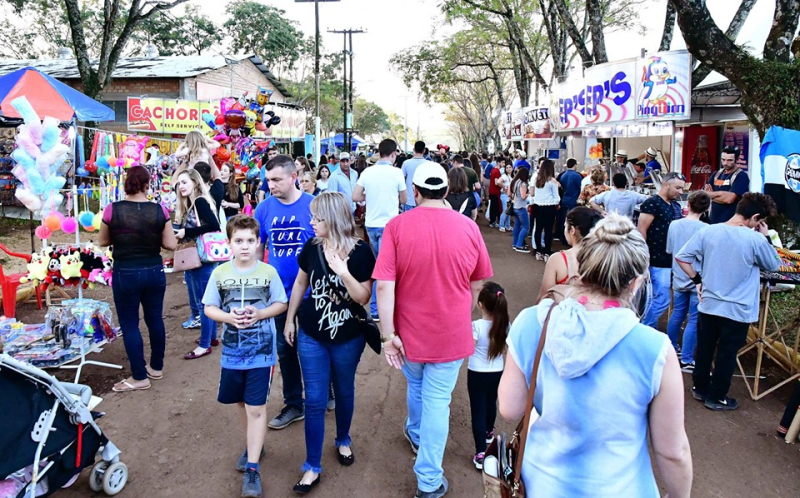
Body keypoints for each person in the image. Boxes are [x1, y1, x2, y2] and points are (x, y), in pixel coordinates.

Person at [498, 213, 692, 497]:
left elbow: (509, 408)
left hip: (541, 484)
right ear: (636, 283)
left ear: (581, 269)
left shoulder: (532, 323)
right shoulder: (655, 349)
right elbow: (673, 452)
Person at [374, 161, 492, 498]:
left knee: (417, 383)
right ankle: (428, 479)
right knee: (437, 400)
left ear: (415, 190)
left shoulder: (397, 226)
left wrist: (387, 335)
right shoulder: (468, 227)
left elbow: (384, 286)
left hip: (408, 333)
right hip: (450, 334)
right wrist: (459, 310)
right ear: (446, 190)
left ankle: (416, 433)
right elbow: (478, 280)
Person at [283, 192, 376, 494]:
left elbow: (363, 298)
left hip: (348, 336)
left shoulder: (361, 251)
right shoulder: (312, 247)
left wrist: (343, 271)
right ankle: (311, 466)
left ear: (332, 220)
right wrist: (289, 319)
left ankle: (343, 439)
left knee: (345, 390)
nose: (311, 222)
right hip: (311, 333)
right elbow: (300, 282)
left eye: (316, 218)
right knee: (315, 399)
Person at [202, 215, 288, 498]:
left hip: (262, 353)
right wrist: (228, 317)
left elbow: (281, 302)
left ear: (258, 243)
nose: (245, 246)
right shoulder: (219, 274)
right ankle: (256, 444)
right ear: (229, 243)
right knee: (241, 403)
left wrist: (261, 313)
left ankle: (253, 468)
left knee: (256, 407)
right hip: (232, 353)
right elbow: (209, 308)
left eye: (251, 241)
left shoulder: (268, 273)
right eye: (239, 241)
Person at [676, 193, 781, 411]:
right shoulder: (755, 239)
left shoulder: (709, 230)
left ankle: (700, 387)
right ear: (755, 217)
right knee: (726, 353)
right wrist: (766, 236)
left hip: (709, 302)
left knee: (704, 348)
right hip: (737, 307)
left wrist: (697, 280)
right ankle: (717, 396)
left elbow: (682, 257)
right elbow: (774, 264)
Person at [98, 166, 177, 392]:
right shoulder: (159, 210)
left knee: (130, 324)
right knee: (155, 319)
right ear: (147, 184)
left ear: (127, 183)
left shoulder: (113, 209)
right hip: (154, 270)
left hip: (126, 272)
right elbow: (171, 245)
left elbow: (102, 241)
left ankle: (139, 376)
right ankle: (156, 367)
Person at [254, 154, 315, 430]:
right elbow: (257, 247)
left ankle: (324, 391)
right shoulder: (264, 209)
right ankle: (294, 403)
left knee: (315, 347)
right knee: (285, 349)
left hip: (313, 293)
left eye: (276, 179)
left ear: (294, 177)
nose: (271, 185)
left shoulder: (313, 206)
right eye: (268, 180)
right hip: (278, 294)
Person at [352, 138, 407, 320]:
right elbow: (405, 199)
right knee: (386, 269)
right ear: (393, 154)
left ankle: (378, 308)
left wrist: (371, 195)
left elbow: (355, 196)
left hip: (370, 225)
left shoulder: (368, 172)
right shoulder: (397, 173)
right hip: (389, 226)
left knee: (379, 266)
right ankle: (378, 309)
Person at [174, 168, 221, 360]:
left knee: (204, 303)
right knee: (205, 300)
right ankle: (212, 337)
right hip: (198, 259)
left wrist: (187, 232)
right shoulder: (193, 203)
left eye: (185, 182)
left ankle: (204, 345)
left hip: (202, 258)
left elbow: (214, 225)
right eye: (179, 183)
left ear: (195, 182)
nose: (181, 186)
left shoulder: (200, 201)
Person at [666, 191, 710, 373]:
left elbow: (670, 250)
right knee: (693, 319)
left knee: (677, 313)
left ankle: (670, 349)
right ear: (707, 208)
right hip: (698, 278)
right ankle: (686, 358)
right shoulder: (706, 229)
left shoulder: (674, 225)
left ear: (688, 204)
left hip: (678, 276)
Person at [467, 282, 510, 470]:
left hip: (476, 372)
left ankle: (480, 452)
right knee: (491, 402)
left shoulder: (476, 326)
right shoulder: (506, 325)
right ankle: (489, 431)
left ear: (480, 304)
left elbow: (470, 348)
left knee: (478, 409)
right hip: (497, 372)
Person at [638, 172, 686, 329]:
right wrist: (644, 257)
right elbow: (641, 231)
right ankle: (645, 328)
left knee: (656, 298)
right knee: (662, 298)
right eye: (678, 188)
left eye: (682, 188)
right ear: (666, 185)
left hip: (670, 260)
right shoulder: (652, 203)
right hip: (656, 260)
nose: (681, 192)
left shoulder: (674, 206)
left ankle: (646, 329)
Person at [535, 207, 602, 302]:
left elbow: (544, 297)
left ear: (572, 230)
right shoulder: (605, 257)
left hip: (563, 314)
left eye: (565, 226)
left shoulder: (558, 260)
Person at [703, 146, 749, 224]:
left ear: (737, 160)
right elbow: (703, 195)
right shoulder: (716, 174)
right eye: (723, 160)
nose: (725, 163)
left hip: (731, 222)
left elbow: (729, 199)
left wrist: (710, 195)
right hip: (713, 221)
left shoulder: (741, 176)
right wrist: (721, 195)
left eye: (729, 160)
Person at [532, 159, 561, 261]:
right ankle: (547, 252)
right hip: (549, 207)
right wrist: (557, 204)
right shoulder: (552, 181)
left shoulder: (537, 179)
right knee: (548, 230)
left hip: (537, 206)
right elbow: (557, 198)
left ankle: (538, 251)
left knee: (538, 229)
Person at [556, 158, 583, 244]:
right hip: (573, 201)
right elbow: (581, 188)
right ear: (575, 165)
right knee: (572, 221)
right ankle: (569, 239)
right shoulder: (577, 176)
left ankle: (562, 237)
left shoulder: (563, 175)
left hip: (564, 199)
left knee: (562, 219)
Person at [401, 141, 429, 212]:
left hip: (409, 199)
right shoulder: (428, 164)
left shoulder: (406, 163)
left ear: (414, 149)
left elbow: (402, 179)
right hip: (423, 200)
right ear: (424, 150)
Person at [510, 168, 531, 253]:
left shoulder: (516, 182)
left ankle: (515, 244)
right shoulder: (523, 183)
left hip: (515, 206)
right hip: (521, 207)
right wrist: (529, 193)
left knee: (517, 226)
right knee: (526, 226)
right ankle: (519, 245)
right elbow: (523, 196)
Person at [497, 160, 513, 232]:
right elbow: (498, 182)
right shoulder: (504, 176)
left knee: (508, 211)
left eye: (510, 167)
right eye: (507, 167)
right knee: (505, 210)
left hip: (510, 195)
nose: (508, 169)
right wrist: (504, 187)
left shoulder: (511, 176)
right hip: (504, 195)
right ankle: (501, 225)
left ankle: (507, 225)